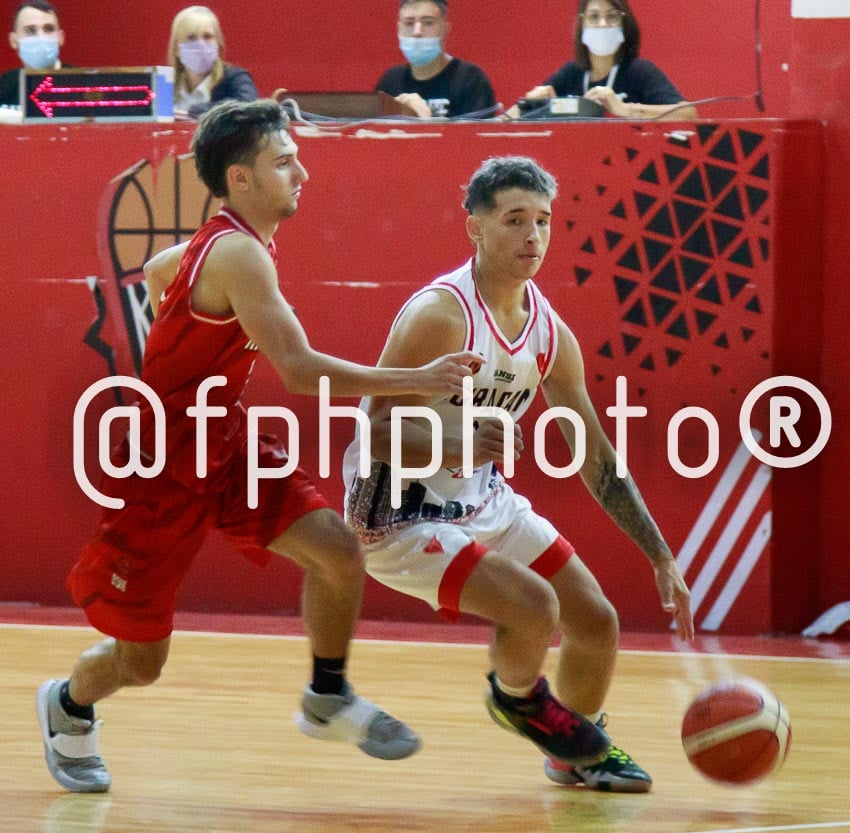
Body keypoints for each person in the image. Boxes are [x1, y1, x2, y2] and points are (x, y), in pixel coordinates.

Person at [36, 98, 482, 793]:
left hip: (226, 441)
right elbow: (301, 372)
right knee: (142, 661)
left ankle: (327, 694)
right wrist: (417, 377)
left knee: (336, 548)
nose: (301, 171)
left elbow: (159, 271)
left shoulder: (231, 244)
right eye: (283, 161)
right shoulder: (239, 252)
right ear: (240, 179)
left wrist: (180, 335)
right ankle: (67, 705)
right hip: (164, 467)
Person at [343, 155, 694, 792]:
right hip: (397, 510)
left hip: (481, 500)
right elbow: (374, 432)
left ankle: (571, 751)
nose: (532, 236)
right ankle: (518, 700)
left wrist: (659, 554)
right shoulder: (441, 314)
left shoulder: (548, 332)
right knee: (534, 607)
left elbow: (597, 457)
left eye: (543, 221)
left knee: (596, 621)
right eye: (513, 220)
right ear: (474, 226)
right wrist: (461, 440)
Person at [514, 0, 697, 120]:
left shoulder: (640, 71)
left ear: (624, 24)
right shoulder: (571, 73)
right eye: (594, 17)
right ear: (582, 25)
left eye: (611, 16)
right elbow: (502, 121)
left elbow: (688, 114)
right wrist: (528, 105)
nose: (602, 24)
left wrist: (624, 109)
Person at [376, 0, 496, 119]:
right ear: (399, 29)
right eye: (409, 23)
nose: (417, 32)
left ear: (445, 28)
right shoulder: (390, 81)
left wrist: (428, 121)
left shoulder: (470, 79)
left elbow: (478, 136)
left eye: (428, 23)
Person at [168, 5, 258, 120]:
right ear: (176, 48)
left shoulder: (235, 77)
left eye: (207, 36)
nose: (200, 44)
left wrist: (202, 110)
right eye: (191, 38)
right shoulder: (166, 85)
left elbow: (250, 105)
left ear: (218, 43)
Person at [0, 1, 67, 106]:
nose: (41, 37)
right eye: (30, 31)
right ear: (13, 40)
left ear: (61, 37)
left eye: (48, 29)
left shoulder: (80, 83)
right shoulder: (5, 86)